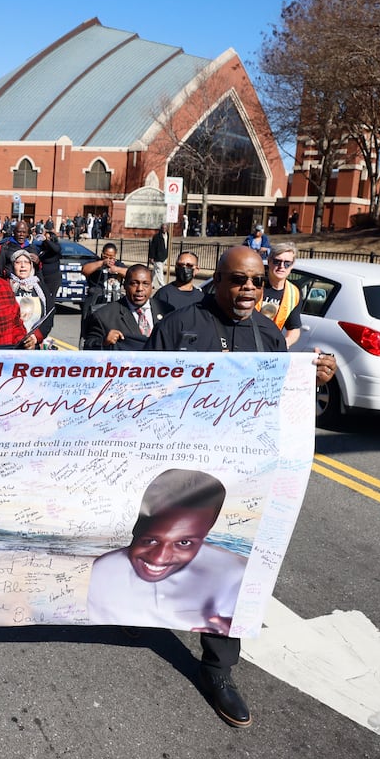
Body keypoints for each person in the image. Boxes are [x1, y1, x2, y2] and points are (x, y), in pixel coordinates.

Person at [144, 246, 337, 729]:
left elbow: (283, 407)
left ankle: (218, 669)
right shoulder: (178, 325)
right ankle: (136, 607)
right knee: (152, 550)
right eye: (237, 280)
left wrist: (310, 381)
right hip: (178, 466)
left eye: (255, 281)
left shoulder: (267, 334)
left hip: (240, 474)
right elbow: (140, 391)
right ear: (218, 282)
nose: (249, 289)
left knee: (231, 566)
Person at [86, 469, 246, 632]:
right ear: (136, 527)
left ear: (206, 532)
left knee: (222, 652)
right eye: (150, 540)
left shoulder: (234, 574)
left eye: (184, 542)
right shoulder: (103, 572)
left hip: (215, 632)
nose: (159, 558)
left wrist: (235, 626)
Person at [82, 264, 162, 349]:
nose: (140, 289)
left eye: (145, 284)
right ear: (125, 285)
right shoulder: (103, 316)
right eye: (134, 283)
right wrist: (104, 342)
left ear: (151, 287)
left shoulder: (167, 311)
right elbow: (88, 346)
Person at [260, 241, 304, 347]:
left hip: (270, 349)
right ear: (269, 262)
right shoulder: (255, 284)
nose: (281, 266)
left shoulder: (294, 293)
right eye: (277, 261)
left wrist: (284, 343)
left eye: (287, 263)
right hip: (245, 344)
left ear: (292, 265)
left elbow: (294, 328)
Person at [7, 249, 52, 342]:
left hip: (34, 342)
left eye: (27, 262)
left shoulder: (40, 287)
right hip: (11, 342)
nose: (23, 266)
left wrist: (35, 337)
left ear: (31, 266)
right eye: (18, 262)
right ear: (12, 265)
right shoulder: (5, 286)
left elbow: (49, 315)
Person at [80, 242, 127, 324]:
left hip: (113, 299)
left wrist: (116, 269)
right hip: (96, 299)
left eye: (112, 257)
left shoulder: (119, 265)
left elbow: (130, 273)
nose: (109, 259)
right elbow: (85, 270)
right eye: (106, 256)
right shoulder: (95, 263)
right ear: (102, 254)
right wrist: (102, 263)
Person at [153, 251, 205, 317]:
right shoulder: (163, 294)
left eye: (189, 266)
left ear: (197, 269)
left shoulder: (201, 298)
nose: (184, 268)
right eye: (180, 265)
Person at [147, 226, 169, 292]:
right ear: (161, 229)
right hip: (157, 257)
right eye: (163, 228)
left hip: (164, 256)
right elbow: (153, 247)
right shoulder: (156, 237)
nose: (164, 229)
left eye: (165, 228)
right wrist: (151, 257)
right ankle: (162, 285)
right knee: (159, 271)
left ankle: (150, 283)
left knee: (155, 271)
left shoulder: (168, 236)